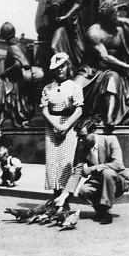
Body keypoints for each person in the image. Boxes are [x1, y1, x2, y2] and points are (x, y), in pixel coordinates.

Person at [74, 2, 129, 128]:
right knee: (74, 86)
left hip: (113, 70)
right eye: (115, 15)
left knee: (112, 78)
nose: (117, 18)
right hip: (91, 70)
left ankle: (109, 119)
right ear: (106, 18)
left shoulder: (119, 31)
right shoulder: (94, 33)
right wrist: (127, 66)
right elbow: (104, 56)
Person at [54, 119, 129, 225]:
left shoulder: (110, 140)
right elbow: (77, 172)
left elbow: (118, 164)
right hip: (99, 181)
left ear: (93, 132)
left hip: (118, 181)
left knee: (107, 173)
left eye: (83, 136)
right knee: (83, 190)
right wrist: (65, 194)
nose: (81, 140)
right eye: (78, 136)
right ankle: (100, 210)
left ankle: (107, 211)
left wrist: (92, 169)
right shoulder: (82, 147)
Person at [41, 52, 83, 194]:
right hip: (52, 126)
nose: (60, 69)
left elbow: (78, 110)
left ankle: (65, 200)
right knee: (52, 162)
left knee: (66, 162)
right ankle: (56, 196)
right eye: (57, 67)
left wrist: (65, 126)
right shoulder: (48, 88)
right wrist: (56, 126)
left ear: (67, 67)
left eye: (63, 66)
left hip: (69, 127)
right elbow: (45, 110)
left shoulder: (74, 86)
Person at [0, 22, 39, 128]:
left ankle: (13, 119)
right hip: (22, 78)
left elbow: (21, 63)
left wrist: (4, 73)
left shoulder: (12, 46)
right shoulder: (19, 43)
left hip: (18, 80)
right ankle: (9, 118)